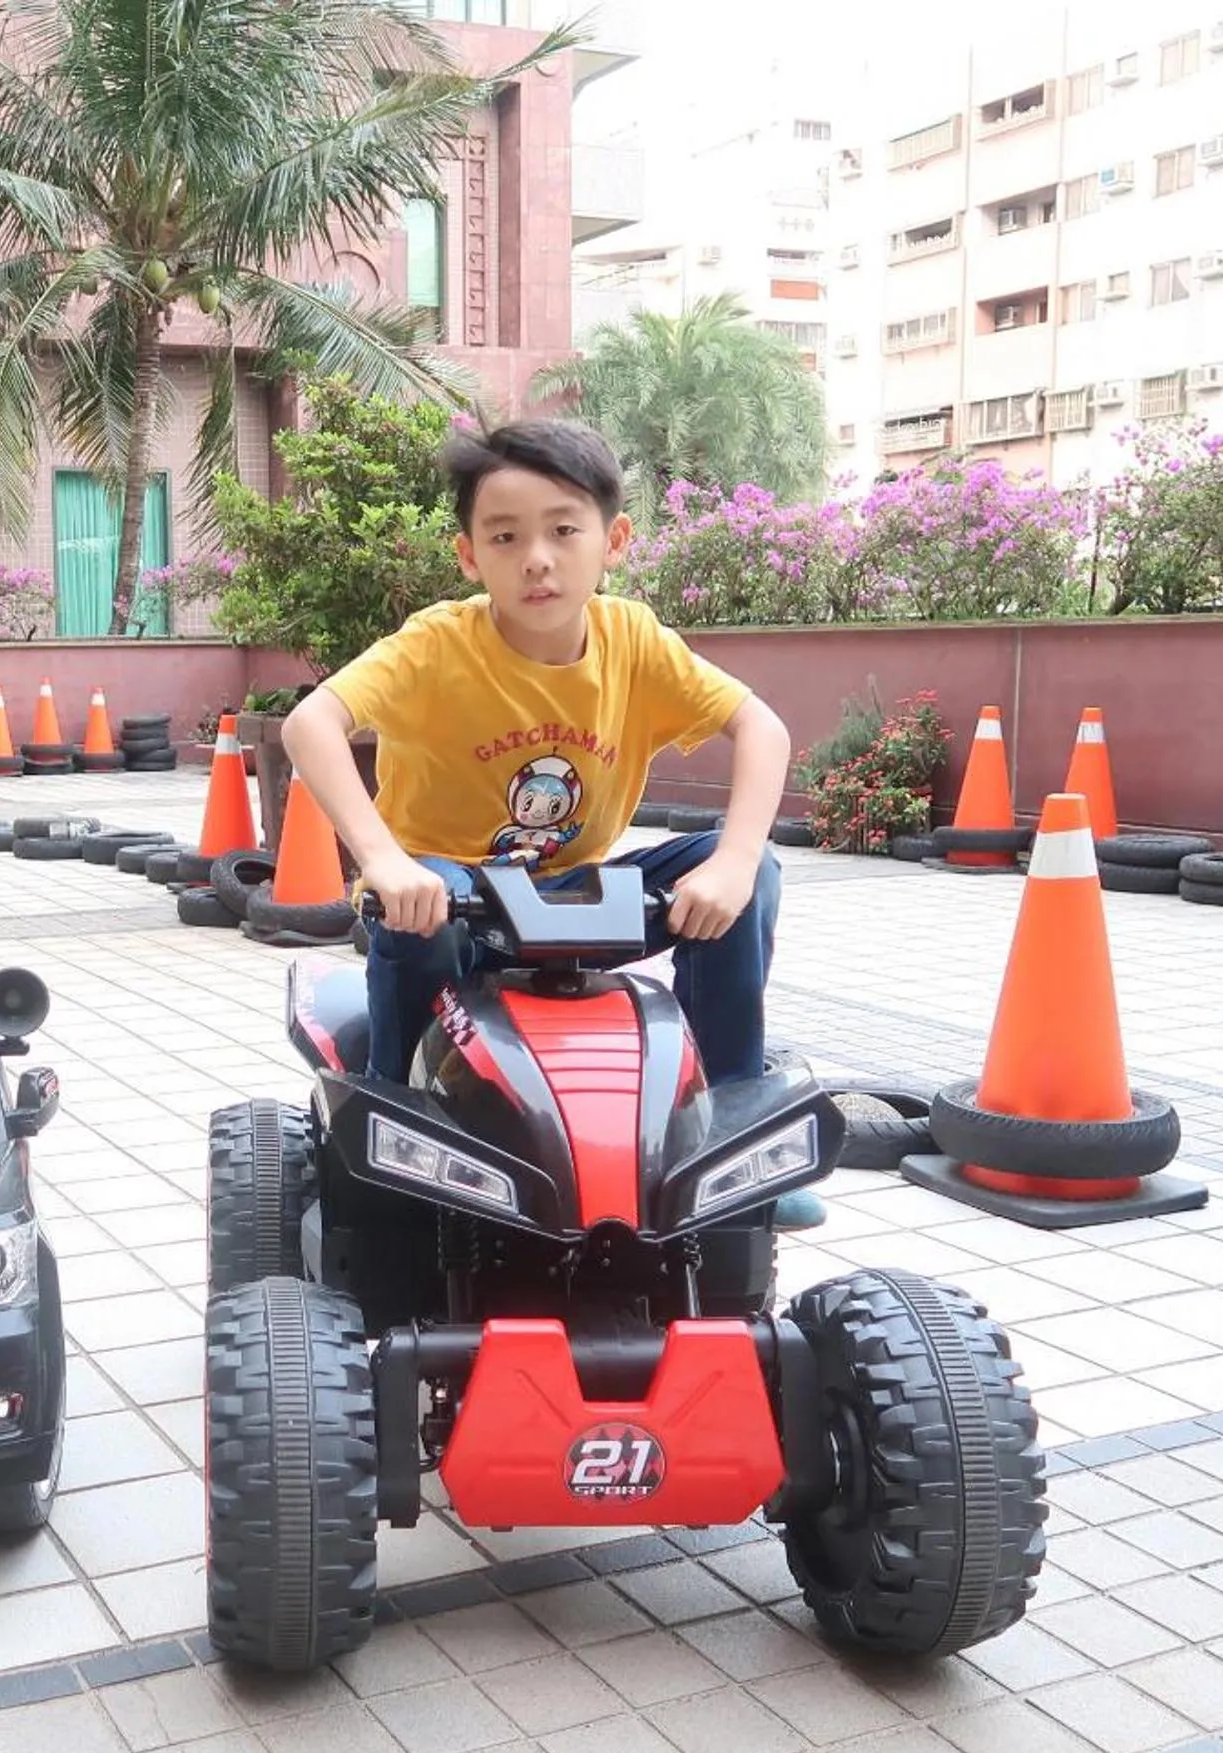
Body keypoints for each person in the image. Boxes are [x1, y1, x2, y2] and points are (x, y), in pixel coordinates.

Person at [277, 416, 824, 1230]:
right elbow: (309, 724)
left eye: (564, 530)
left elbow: (762, 728)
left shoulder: (632, 638)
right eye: (504, 537)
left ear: (614, 539)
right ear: (469, 555)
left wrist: (736, 861)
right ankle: (396, 1126)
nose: (537, 558)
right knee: (419, 914)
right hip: (449, 887)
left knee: (744, 872)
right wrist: (385, 860)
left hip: (575, 888)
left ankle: (731, 1127)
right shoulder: (438, 645)